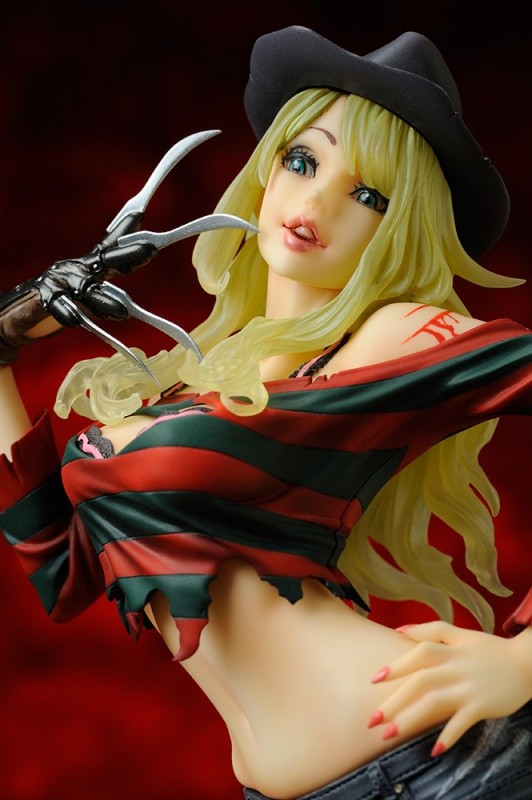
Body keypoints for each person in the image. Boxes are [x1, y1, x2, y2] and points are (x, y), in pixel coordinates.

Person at [0, 25, 531, 800]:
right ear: (266, 170)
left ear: (400, 228)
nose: (314, 202)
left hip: (444, 770)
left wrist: (522, 661)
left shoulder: (394, 335)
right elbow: (62, 571)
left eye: (370, 196)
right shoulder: (190, 377)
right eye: (303, 161)